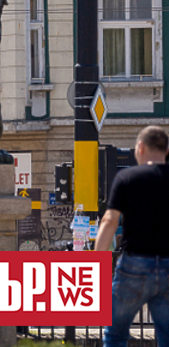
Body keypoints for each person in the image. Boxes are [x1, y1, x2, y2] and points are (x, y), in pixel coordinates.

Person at [96, 125, 169, 347]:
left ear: (140, 147)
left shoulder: (127, 177)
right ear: (166, 150)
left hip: (134, 265)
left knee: (116, 334)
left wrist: (97, 261)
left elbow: (109, 221)